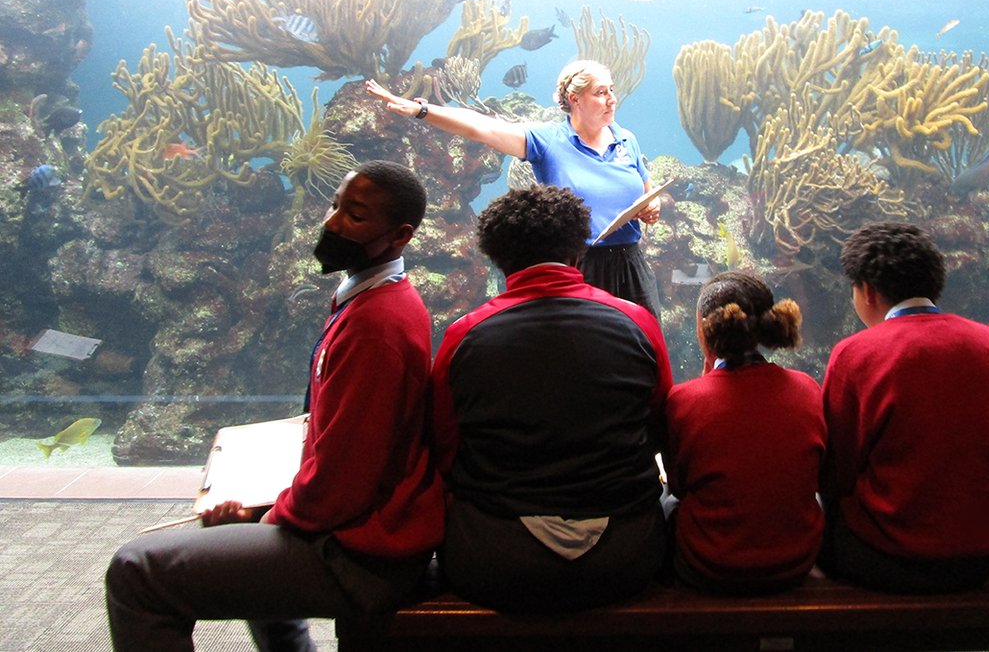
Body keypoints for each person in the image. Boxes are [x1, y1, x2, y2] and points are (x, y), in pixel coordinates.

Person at [106, 161, 444, 652]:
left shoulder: (377, 325)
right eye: (334, 206)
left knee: (137, 571)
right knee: (235, 542)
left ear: (400, 235)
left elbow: (344, 481)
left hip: (359, 554)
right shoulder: (368, 298)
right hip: (350, 527)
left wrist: (266, 517)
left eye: (355, 215)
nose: (331, 224)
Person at [430, 183, 673, 613]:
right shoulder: (636, 322)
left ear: (498, 260)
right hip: (626, 554)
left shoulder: (463, 335)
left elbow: (446, 447)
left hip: (495, 558)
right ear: (579, 252)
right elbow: (659, 425)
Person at [366, 58, 663, 317]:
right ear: (574, 98)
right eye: (600, 92)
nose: (612, 99)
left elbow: (647, 193)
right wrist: (422, 109)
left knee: (645, 347)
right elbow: (481, 127)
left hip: (630, 264)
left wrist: (652, 207)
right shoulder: (547, 140)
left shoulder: (626, 139)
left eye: (612, 90)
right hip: (578, 267)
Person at [819, 222, 989, 593]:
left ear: (867, 290)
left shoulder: (857, 353)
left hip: (888, 553)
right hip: (985, 553)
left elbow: (836, 473)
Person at [664, 270, 825, 594]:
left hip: (708, 566)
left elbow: (680, 485)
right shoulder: (807, 389)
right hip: (797, 562)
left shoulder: (684, 401)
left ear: (706, 329)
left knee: (664, 503)